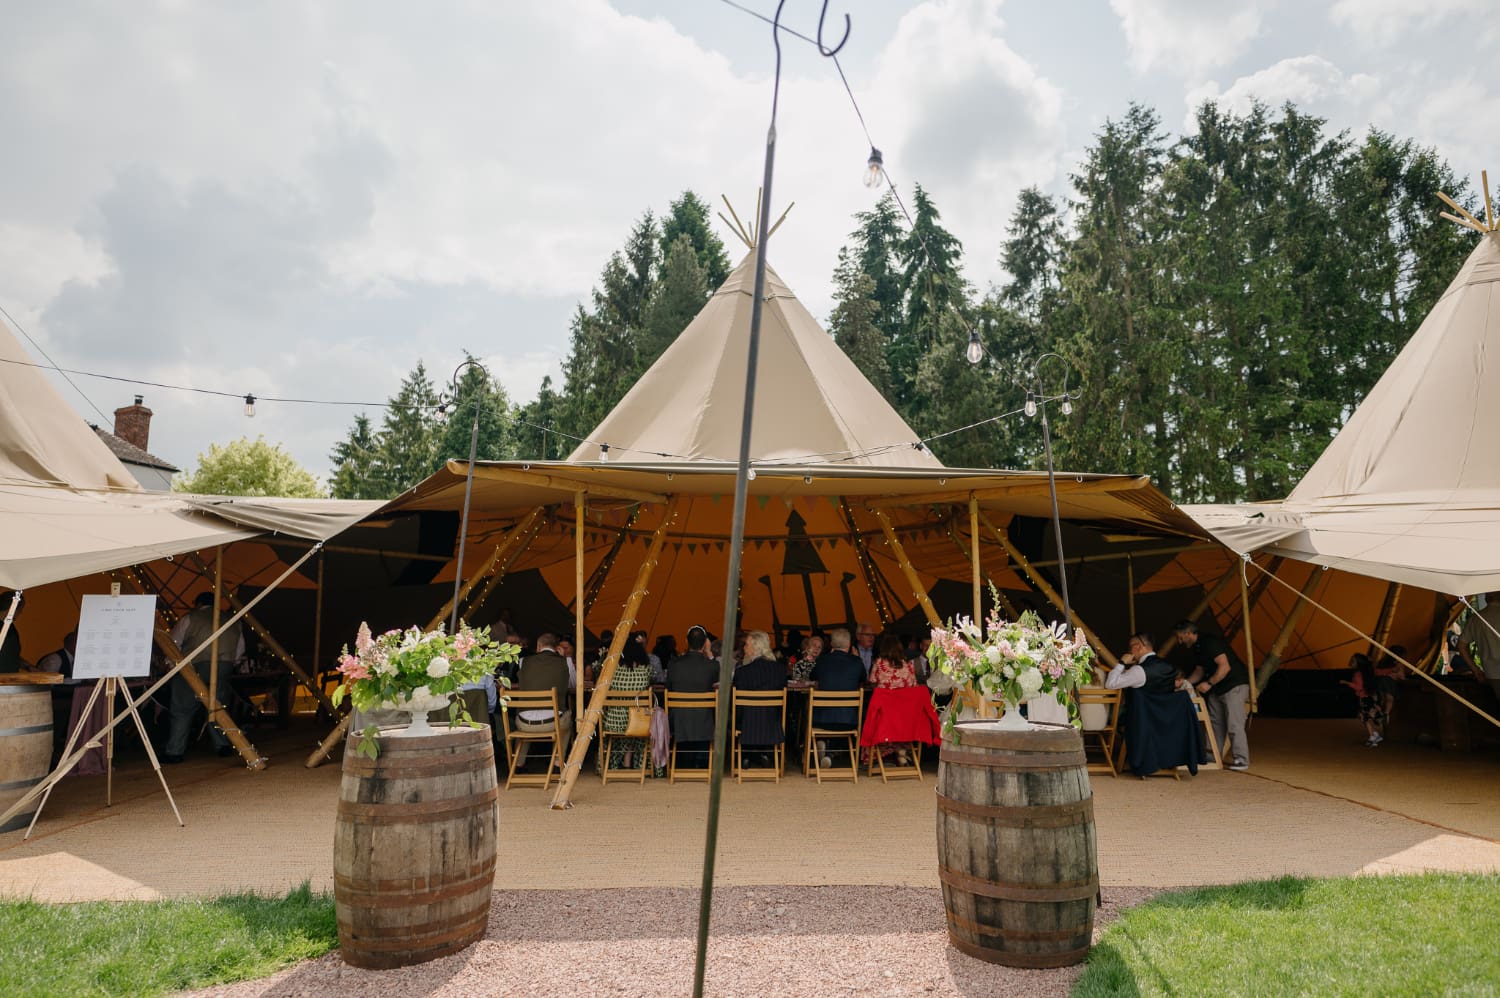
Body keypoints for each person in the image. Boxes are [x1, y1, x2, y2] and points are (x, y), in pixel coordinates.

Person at [164, 591, 245, 763]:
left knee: (182, 710)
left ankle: (175, 751)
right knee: (218, 708)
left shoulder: (190, 618)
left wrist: (171, 666)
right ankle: (223, 745)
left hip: (193, 667)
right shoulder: (232, 621)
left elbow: (172, 644)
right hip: (223, 668)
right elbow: (239, 651)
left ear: (199, 604)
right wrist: (230, 664)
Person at [1174, 620, 1251, 771]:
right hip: (1217, 687)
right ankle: (1211, 756)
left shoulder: (1209, 642)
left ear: (1188, 633)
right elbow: (1199, 671)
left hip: (1233, 685)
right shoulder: (1197, 647)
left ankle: (1242, 760)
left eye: (1180, 637)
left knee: (1234, 723)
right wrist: (1185, 683)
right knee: (1215, 723)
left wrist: (1209, 683)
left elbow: (1225, 667)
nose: (1179, 641)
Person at [513, 633, 573, 767]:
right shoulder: (565, 661)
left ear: (538, 646)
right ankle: (557, 763)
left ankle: (518, 763)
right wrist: (563, 658)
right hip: (553, 723)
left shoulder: (523, 661)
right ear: (556, 648)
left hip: (524, 724)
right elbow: (573, 685)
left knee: (524, 721)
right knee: (569, 719)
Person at [811, 627, 864, 768]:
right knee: (843, 722)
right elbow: (863, 679)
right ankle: (831, 752)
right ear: (849, 644)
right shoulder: (856, 662)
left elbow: (812, 677)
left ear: (831, 644)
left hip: (821, 720)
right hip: (849, 720)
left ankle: (825, 748)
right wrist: (856, 657)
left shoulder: (822, 660)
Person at [732, 630, 786, 769]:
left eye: (746, 645)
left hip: (747, 724)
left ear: (756, 647)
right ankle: (765, 754)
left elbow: (737, 703)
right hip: (772, 721)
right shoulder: (780, 670)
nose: (744, 648)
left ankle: (747, 755)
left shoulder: (742, 672)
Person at [667, 625, 718, 766]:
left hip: (679, 720)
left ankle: (683, 763)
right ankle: (702, 763)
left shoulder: (673, 664)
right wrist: (709, 653)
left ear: (686, 641)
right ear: (706, 643)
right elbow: (719, 680)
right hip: (704, 721)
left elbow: (668, 688)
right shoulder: (712, 665)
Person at [600, 640, 653, 775]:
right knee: (633, 723)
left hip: (614, 722)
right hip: (639, 721)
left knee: (623, 721)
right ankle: (631, 762)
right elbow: (652, 681)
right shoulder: (646, 670)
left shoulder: (613, 670)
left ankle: (624, 761)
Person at [867, 634, 916, 765]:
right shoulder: (908, 665)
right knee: (898, 720)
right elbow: (913, 686)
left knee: (872, 714)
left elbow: (872, 681)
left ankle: (882, 755)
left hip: (884, 714)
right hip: (903, 716)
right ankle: (901, 751)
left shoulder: (879, 663)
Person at [1457, 593, 1500, 701]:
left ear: (1487, 598)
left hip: (1492, 673)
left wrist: (1476, 671)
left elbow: (1461, 645)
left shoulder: (1476, 618)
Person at [1104, 634, 1180, 694]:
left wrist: (1121, 663)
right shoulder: (1169, 666)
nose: (1130, 651)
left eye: (1130, 647)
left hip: (1142, 709)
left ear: (1137, 646)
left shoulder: (1139, 670)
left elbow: (1110, 684)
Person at [1341, 653, 1386, 747]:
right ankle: (1374, 734)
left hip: (1365, 698)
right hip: (1370, 696)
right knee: (1366, 717)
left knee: (1365, 717)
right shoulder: (1368, 672)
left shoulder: (1358, 674)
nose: (1351, 662)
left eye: (1353, 661)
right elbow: (1380, 672)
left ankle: (1373, 736)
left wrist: (1347, 683)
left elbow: (1359, 687)